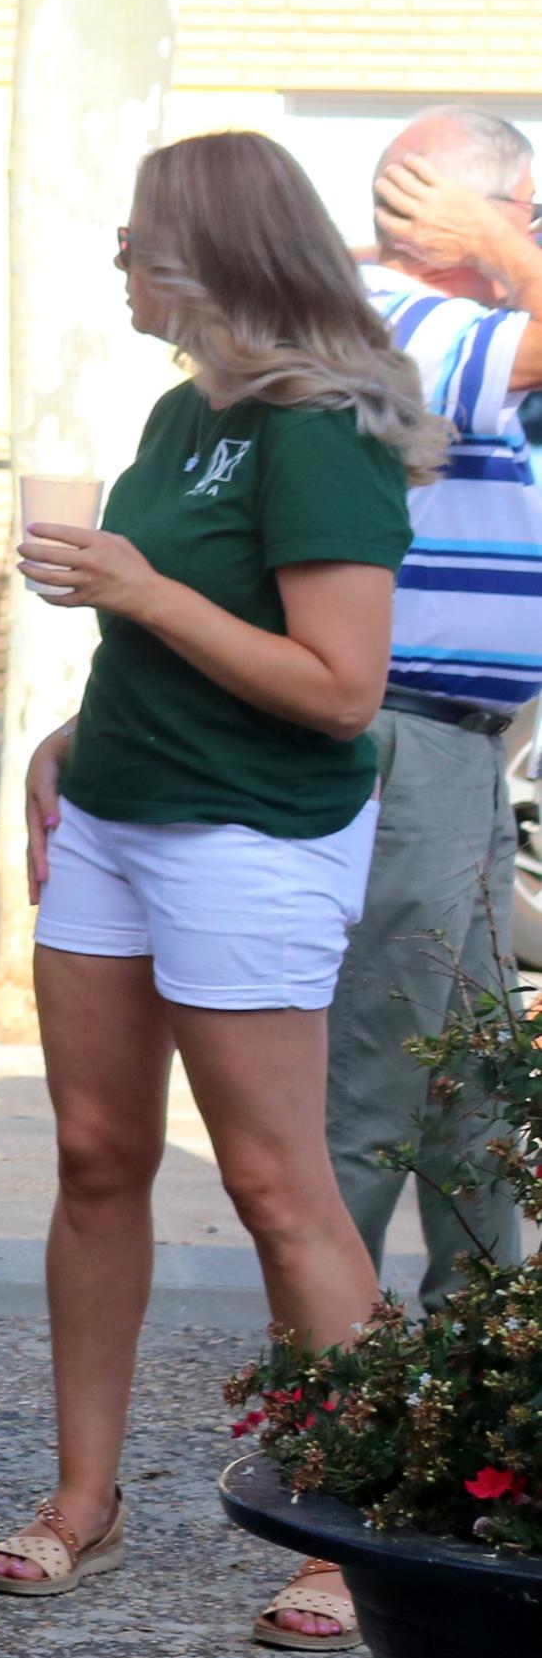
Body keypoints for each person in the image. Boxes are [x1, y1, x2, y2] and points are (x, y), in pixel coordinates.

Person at [3, 132, 443, 1653]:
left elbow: (338, 690)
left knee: (272, 1181)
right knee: (91, 1154)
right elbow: (171, 638)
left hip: (249, 832)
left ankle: (351, 1523)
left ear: (206, 254)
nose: (117, 262)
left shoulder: (315, 430)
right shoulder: (178, 407)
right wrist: (73, 728)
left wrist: (137, 589)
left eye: (134, 240)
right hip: (120, 814)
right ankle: (82, 1496)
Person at [334, 108, 542, 1310]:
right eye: (526, 217)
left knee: (468, 1074)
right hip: (406, 736)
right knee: (376, 1069)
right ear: (452, 218)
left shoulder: (445, 320)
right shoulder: (403, 315)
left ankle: (475, 1345)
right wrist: (500, 250)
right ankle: (317, 1379)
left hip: (452, 746)